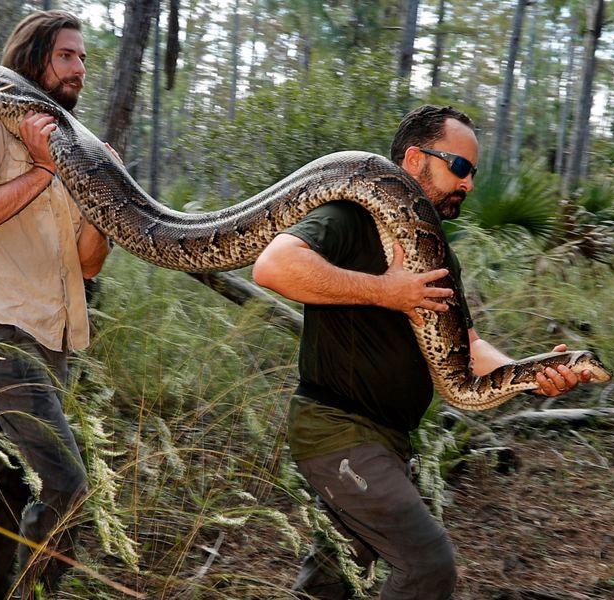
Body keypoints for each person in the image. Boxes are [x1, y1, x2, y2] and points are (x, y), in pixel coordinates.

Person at [251, 105, 593, 599]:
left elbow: (467, 348)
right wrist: (388, 291)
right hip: (338, 430)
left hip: (388, 440)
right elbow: (274, 268)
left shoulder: (439, 252)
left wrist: (535, 373)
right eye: (459, 167)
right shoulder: (349, 216)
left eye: (474, 172)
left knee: (337, 572)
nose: (469, 184)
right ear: (414, 159)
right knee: (429, 566)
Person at [0, 10, 112, 600]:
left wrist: (105, 191)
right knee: (66, 483)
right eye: (67, 55)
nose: (79, 68)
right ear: (33, 59)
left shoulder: (74, 146)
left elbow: (87, 264)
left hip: (51, 334)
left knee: (11, 479)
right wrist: (43, 168)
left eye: (83, 58)